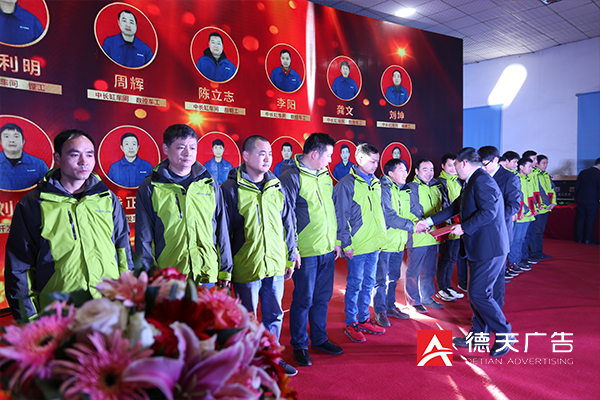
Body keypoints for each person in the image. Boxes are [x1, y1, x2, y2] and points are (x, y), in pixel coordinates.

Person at [5, 129, 133, 319]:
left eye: (89, 154)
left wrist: (128, 297)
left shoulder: (107, 198)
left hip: (108, 306)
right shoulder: (33, 203)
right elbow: (19, 267)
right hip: (60, 313)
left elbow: (123, 250)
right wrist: (30, 320)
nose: (84, 162)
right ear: (57, 158)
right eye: (75, 155)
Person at [421, 147, 515, 358]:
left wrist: (464, 227)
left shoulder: (482, 180)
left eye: (455, 165)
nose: (454, 169)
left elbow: (489, 212)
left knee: (480, 294)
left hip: (489, 248)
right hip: (480, 247)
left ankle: (504, 334)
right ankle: (479, 333)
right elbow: (454, 208)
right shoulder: (472, 180)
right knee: (476, 294)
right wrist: (427, 222)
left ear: (463, 163)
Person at [221, 135, 299, 376]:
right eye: (261, 153)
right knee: (247, 318)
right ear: (245, 156)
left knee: (274, 315)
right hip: (247, 266)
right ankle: (249, 364)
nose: (267, 159)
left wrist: (290, 254)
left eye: (270, 154)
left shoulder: (277, 186)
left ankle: (271, 357)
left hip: (275, 264)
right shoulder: (230, 189)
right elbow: (222, 232)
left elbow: (288, 222)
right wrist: (226, 268)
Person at [135, 124, 232, 288]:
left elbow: (221, 228)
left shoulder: (209, 183)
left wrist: (225, 269)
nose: (188, 153)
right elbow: (144, 237)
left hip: (207, 274)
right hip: (169, 278)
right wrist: (149, 276)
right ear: (166, 149)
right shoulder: (151, 187)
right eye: (181, 147)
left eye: (192, 148)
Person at [280, 133, 343, 367]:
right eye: (328, 155)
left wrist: (335, 240)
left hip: (327, 248)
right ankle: (299, 345)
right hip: (305, 252)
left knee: (322, 298)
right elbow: (285, 216)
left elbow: (330, 210)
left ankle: (319, 339)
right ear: (315, 154)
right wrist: (292, 248)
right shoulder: (291, 176)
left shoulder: (325, 175)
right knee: (303, 299)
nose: (330, 160)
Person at [334, 143, 387, 343]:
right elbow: (341, 215)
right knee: (355, 284)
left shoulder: (376, 182)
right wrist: (346, 244)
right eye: (372, 161)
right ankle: (351, 322)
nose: (375, 165)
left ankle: (364, 318)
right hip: (357, 245)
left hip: (374, 244)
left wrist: (380, 240)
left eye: (377, 161)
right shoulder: (347, 184)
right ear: (360, 159)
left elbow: (379, 214)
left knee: (369, 283)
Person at [373, 158, 414, 327]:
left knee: (393, 277)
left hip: (398, 242)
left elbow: (406, 214)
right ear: (390, 173)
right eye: (401, 170)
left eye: (406, 170)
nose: (405, 173)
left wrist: (421, 223)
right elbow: (389, 217)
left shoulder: (402, 190)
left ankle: (390, 306)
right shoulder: (384, 189)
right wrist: (413, 226)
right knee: (380, 280)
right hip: (384, 243)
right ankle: (380, 310)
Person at [404, 159, 445, 313]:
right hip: (418, 236)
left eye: (431, 169)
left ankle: (427, 297)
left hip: (434, 235)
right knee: (414, 270)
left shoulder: (436, 187)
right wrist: (420, 224)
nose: (429, 173)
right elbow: (408, 210)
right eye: (425, 169)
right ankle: (413, 301)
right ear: (417, 171)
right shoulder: (410, 188)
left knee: (429, 270)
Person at [479, 146, 522, 283]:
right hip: (479, 229)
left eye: (485, 164)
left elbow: (514, 205)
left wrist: (492, 217)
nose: (482, 168)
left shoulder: (510, 177)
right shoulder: (478, 176)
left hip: (499, 229)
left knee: (497, 273)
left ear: (496, 160)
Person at [435, 153, 465, 302]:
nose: (453, 168)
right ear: (443, 166)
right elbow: (445, 206)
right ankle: (442, 288)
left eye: (455, 164)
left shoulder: (459, 181)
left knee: (452, 258)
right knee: (445, 258)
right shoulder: (440, 183)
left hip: (458, 225)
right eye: (449, 165)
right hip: (447, 226)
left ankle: (447, 287)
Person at [507, 157, 536, 275]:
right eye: (529, 166)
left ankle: (519, 260)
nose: (531, 169)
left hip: (528, 214)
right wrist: (522, 211)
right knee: (515, 239)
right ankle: (513, 262)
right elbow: (518, 198)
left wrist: (533, 208)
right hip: (520, 214)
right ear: (521, 167)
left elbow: (532, 196)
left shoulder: (528, 178)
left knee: (521, 239)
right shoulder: (516, 178)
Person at [0, 123, 48, 190]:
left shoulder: (39, 164)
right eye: (6, 136)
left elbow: (48, 188)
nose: (11, 140)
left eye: (16, 136)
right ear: (1, 142)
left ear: (23, 141)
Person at [529, 154, 557, 257]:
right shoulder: (534, 174)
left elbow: (552, 190)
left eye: (547, 163)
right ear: (537, 164)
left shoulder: (546, 175)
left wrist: (553, 202)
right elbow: (537, 191)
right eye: (543, 163)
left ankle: (539, 251)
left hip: (546, 207)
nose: (546, 165)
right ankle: (534, 252)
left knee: (540, 231)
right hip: (538, 207)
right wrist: (540, 204)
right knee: (535, 231)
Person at [574, 157, 600, 245]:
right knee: (590, 220)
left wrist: (576, 197)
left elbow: (577, 186)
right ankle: (588, 239)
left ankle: (579, 238)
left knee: (580, 219)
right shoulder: (598, 174)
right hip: (592, 200)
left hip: (580, 199)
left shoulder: (583, 172)